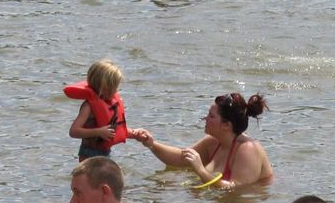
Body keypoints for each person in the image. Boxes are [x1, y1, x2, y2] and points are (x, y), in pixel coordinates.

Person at [134, 92, 273, 189]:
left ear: (226, 126)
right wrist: (151, 144)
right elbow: (180, 158)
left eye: (211, 116)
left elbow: (236, 191)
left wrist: (201, 171)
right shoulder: (213, 142)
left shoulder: (247, 150)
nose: (204, 119)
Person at [66, 60, 142, 160]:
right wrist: (98, 132)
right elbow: (74, 131)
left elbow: (113, 130)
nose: (116, 91)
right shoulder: (88, 107)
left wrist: (134, 133)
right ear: (103, 87)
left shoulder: (109, 104)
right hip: (88, 154)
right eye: (113, 87)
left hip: (105, 153)